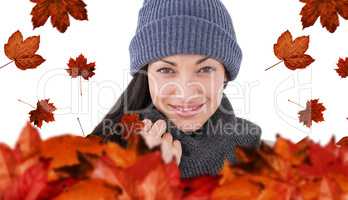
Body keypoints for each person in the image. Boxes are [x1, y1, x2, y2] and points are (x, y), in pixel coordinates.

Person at [88, 0, 262, 179]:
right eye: (166, 70)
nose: (185, 93)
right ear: (146, 74)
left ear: (225, 74)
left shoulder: (261, 155)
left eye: (205, 69)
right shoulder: (96, 159)